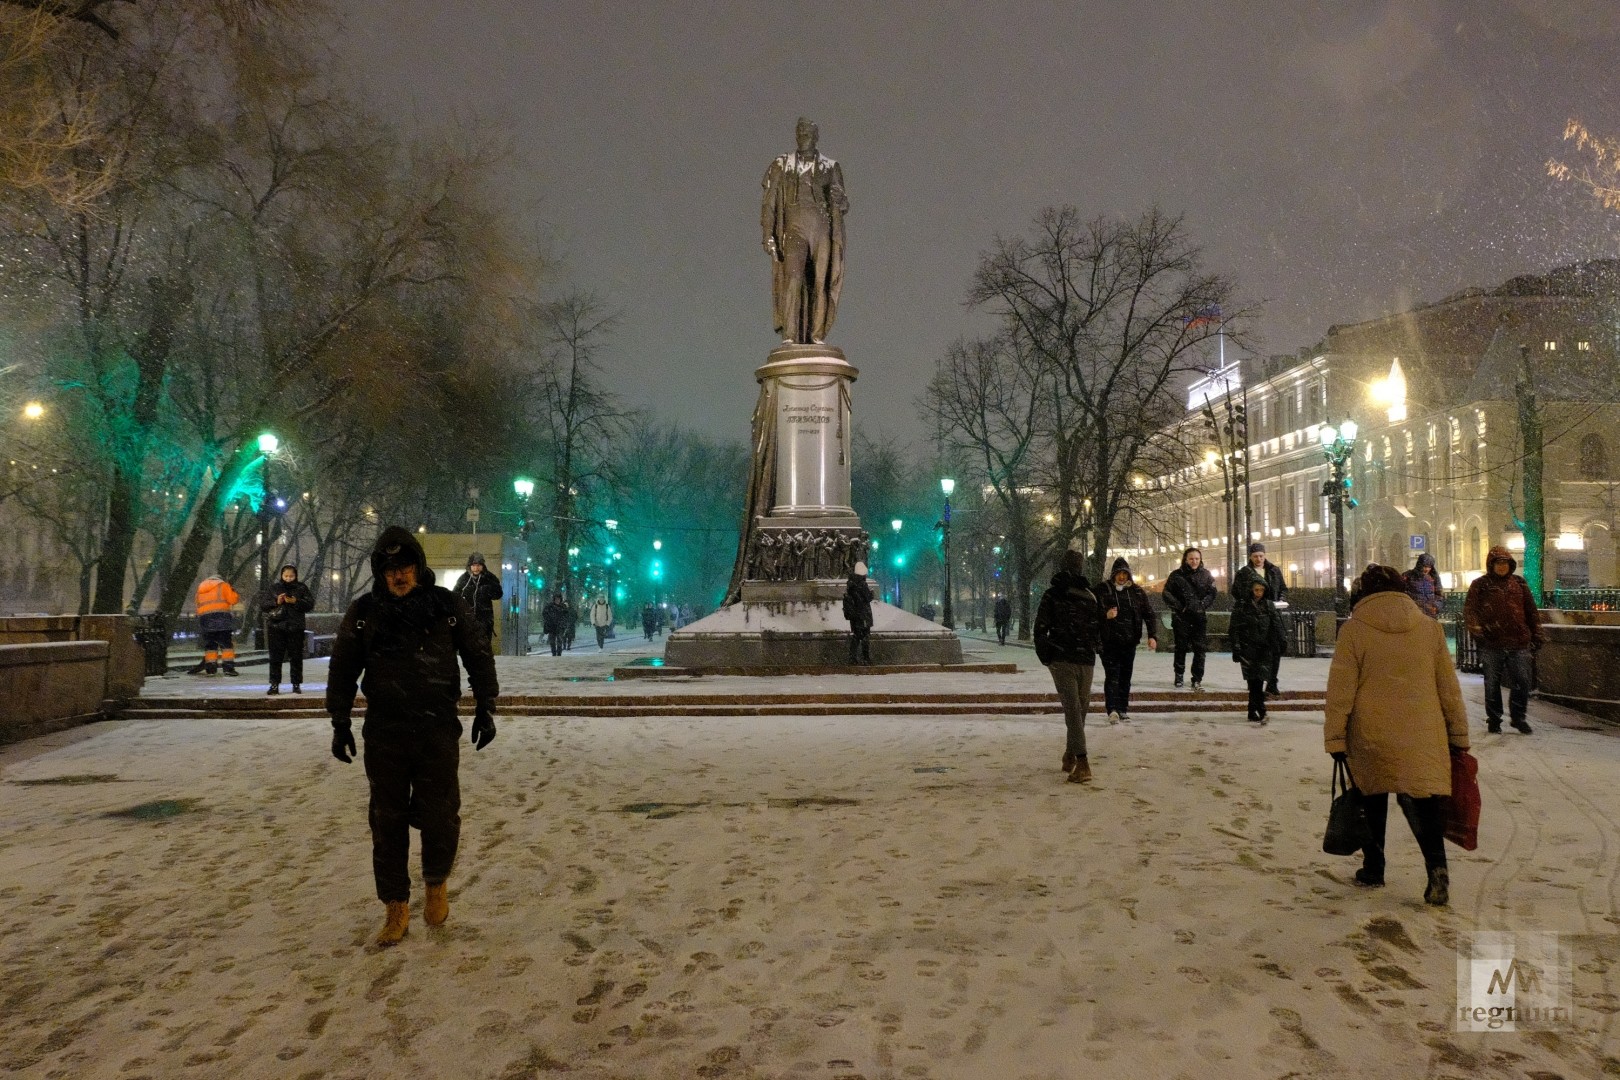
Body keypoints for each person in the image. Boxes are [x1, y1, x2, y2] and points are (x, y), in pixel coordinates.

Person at [326, 525, 498, 946]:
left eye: (405, 566)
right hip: (385, 732)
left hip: (436, 728)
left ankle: (435, 883)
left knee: (440, 813)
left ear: (418, 567)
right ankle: (395, 907)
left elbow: (477, 653)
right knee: (387, 821)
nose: (398, 575)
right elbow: (344, 666)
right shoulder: (364, 612)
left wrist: (486, 707)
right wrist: (339, 720)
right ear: (379, 572)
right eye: (390, 569)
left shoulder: (445, 605)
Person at [1325, 564, 1469, 905]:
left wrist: (1335, 738)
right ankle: (1437, 870)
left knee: (1371, 799)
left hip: (1370, 731)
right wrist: (1459, 735)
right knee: (1423, 804)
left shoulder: (1354, 631)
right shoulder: (1428, 629)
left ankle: (1374, 867)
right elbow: (1448, 689)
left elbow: (1340, 691)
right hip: (1422, 731)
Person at [761, 117, 848, 345]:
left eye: (807, 133)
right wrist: (768, 235)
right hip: (794, 226)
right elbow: (769, 202)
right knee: (793, 278)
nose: (802, 137)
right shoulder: (782, 164)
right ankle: (790, 336)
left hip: (822, 227)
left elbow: (843, 203)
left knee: (821, 282)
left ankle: (817, 335)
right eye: (799, 133)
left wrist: (841, 200)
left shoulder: (830, 167)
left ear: (815, 137)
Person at [1034, 550, 1104, 784]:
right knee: (1079, 709)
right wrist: (1093, 647)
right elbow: (1098, 627)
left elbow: (1040, 628)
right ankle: (1072, 755)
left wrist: (1048, 655)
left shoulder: (1053, 595)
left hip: (1063, 657)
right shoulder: (1090, 596)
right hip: (1085, 658)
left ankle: (1080, 760)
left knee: (1074, 709)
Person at [1463, 545, 1544, 735]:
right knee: (1492, 683)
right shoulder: (1480, 585)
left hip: (1518, 642)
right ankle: (1494, 719)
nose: (1502, 567)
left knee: (1522, 682)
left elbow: (1531, 611)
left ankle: (1518, 717)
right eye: (1498, 563)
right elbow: (1470, 610)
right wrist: (1478, 632)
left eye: (1505, 563)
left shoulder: (1519, 583)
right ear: (1491, 565)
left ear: (1510, 565)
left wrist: (1537, 632)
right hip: (1492, 643)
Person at [1093, 557, 1157, 722]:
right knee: (1113, 675)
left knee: (1125, 676)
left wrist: (1152, 635)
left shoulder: (1136, 592)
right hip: (1110, 642)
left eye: (1124, 573)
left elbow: (1149, 614)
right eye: (1119, 573)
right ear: (1113, 574)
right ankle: (1112, 709)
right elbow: (1091, 613)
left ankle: (1122, 708)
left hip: (1129, 642)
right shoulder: (1103, 590)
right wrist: (1105, 615)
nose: (1121, 577)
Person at [1232, 542, 1288, 695]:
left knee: (1274, 650)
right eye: (1255, 556)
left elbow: (1283, 588)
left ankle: (1272, 681)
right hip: (1253, 616)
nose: (1259, 559)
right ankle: (1254, 682)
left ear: (1265, 556)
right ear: (1250, 557)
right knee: (1254, 652)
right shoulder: (1244, 573)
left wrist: (1280, 599)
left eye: (1261, 556)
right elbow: (1236, 592)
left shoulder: (1274, 571)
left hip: (1272, 614)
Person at [1229, 576, 1286, 724]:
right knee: (1253, 681)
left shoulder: (1268, 605)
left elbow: (1276, 624)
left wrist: (1281, 641)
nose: (1258, 593)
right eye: (1256, 590)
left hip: (1264, 648)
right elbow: (1234, 628)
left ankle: (1255, 709)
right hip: (1248, 648)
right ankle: (1259, 709)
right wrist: (1236, 646)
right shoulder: (1242, 606)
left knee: (1259, 680)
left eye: (1261, 590)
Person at [1163, 547, 1217, 691]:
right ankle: (1179, 675)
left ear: (1201, 560)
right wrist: (1180, 607)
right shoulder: (1176, 575)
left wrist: (1203, 605)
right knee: (1181, 648)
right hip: (1182, 617)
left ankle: (1197, 678)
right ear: (1186, 560)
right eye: (1191, 559)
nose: (1194, 561)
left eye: (1197, 559)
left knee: (1200, 650)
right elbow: (1167, 593)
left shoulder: (1206, 575)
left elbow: (1212, 593)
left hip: (1199, 617)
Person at [259, 564, 314, 695]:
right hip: (277, 627)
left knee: (296, 657)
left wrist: (296, 601)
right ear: (282, 576)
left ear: (295, 576)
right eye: (286, 576)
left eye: (291, 576)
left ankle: (296, 684)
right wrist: (276, 601)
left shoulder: (301, 588)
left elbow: (310, 604)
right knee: (275, 657)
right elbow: (263, 605)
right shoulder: (274, 588)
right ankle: (274, 684)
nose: (288, 578)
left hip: (295, 627)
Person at [188, 574, 240, 676]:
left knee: (210, 645)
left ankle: (211, 669)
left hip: (205, 619)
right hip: (222, 618)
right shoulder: (223, 585)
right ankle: (228, 668)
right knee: (226, 645)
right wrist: (233, 591)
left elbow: (197, 604)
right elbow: (233, 600)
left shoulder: (200, 589)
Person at [452, 552, 503, 649]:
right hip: (467, 617)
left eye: (479, 565)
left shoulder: (490, 578)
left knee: (484, 643)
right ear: (470, 566)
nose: (476, 568)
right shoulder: (464, 579)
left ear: (483, 566)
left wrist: (487, 591)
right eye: (474, 565)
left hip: (485, 616)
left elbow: (498, 594)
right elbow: (455, 594)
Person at [842, 560, 874, 664]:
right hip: (863, 614)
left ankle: (853, 658)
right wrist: (871, 593)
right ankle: (866, 658)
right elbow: (867, 598)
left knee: (856, 636)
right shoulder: (862, 584)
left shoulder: (851, 584)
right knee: (865, 636)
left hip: (855, 615)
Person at [1402, 552, 1443, 618]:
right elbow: (1402, 593)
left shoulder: (1433, 577)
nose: (1427, 569)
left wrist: (1436, 607)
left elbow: (1439, 595)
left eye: (1429, 567)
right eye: (1425, 566)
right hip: (1413, 613)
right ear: (1419, 565)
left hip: (1429, 614)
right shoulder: (1408, 576)